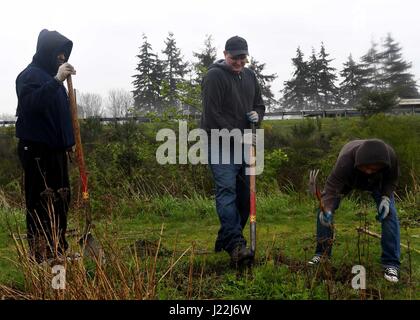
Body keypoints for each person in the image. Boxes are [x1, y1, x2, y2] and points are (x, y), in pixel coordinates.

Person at [201, 36, 265, 266]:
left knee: (246, 196)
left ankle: (226, 236)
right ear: (225, 53)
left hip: (245, 144)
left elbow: (259, 103)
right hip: (219, 143)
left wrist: (258, 114)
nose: (239, 62)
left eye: (242, 57)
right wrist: (237, 136)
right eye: (234, 57)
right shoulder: (214, 77)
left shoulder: (249, 75)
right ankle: (237, 244)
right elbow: (212, 115)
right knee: (227, 191)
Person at [15, 29, 76, 263]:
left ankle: (58, 251)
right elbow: (32, 105)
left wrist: (69, 142)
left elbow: (59, 116)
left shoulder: (55, 82)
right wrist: (57, 80)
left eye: (64, 55)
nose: (62, 58)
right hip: (37, 151)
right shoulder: (29, 76)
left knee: (61, 201)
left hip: (57, 151)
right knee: (41, 201)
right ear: (47, 52)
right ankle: (41, 255)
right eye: (58, 54)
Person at [308, 139, 401, 283]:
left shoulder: (390, 157)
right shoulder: (345, 161)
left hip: (378, 183)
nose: (369, 171)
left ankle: (391, 264)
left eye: (374, 168)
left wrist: (386, 198)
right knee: (322, 212)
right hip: (348, 181)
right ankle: (322, 254)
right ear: (358, 163)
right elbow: (332, 188)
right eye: (366, 168)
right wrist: (327, 209)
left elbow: (391, 180)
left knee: (390, 215)